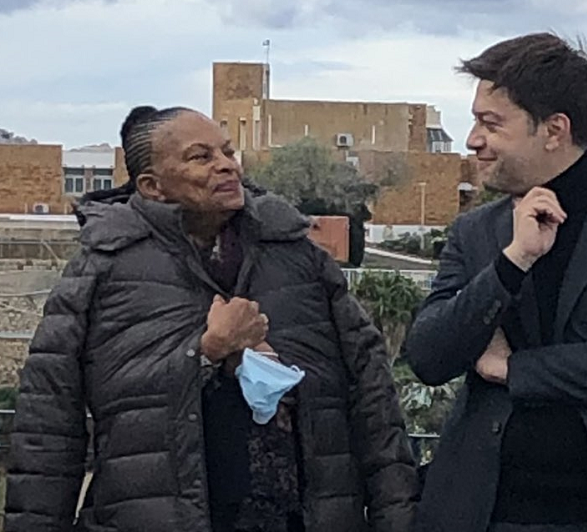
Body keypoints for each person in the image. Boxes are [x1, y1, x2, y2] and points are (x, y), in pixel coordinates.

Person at [5, 106, 418, 532]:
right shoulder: (104, 268)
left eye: (227, 151)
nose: (226, 166)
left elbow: (372, 397)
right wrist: (205, 353)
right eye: (200, 157)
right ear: (152, 186)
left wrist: (397, 517)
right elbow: (47, 426)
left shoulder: (297, 255)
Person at [404, 33, 587, 532]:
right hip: (480, 511)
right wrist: (511, 262)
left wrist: (513, 368)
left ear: (554, 130)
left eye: (490, 123)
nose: (473, 139)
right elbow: (429, 357)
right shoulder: (476, 232)